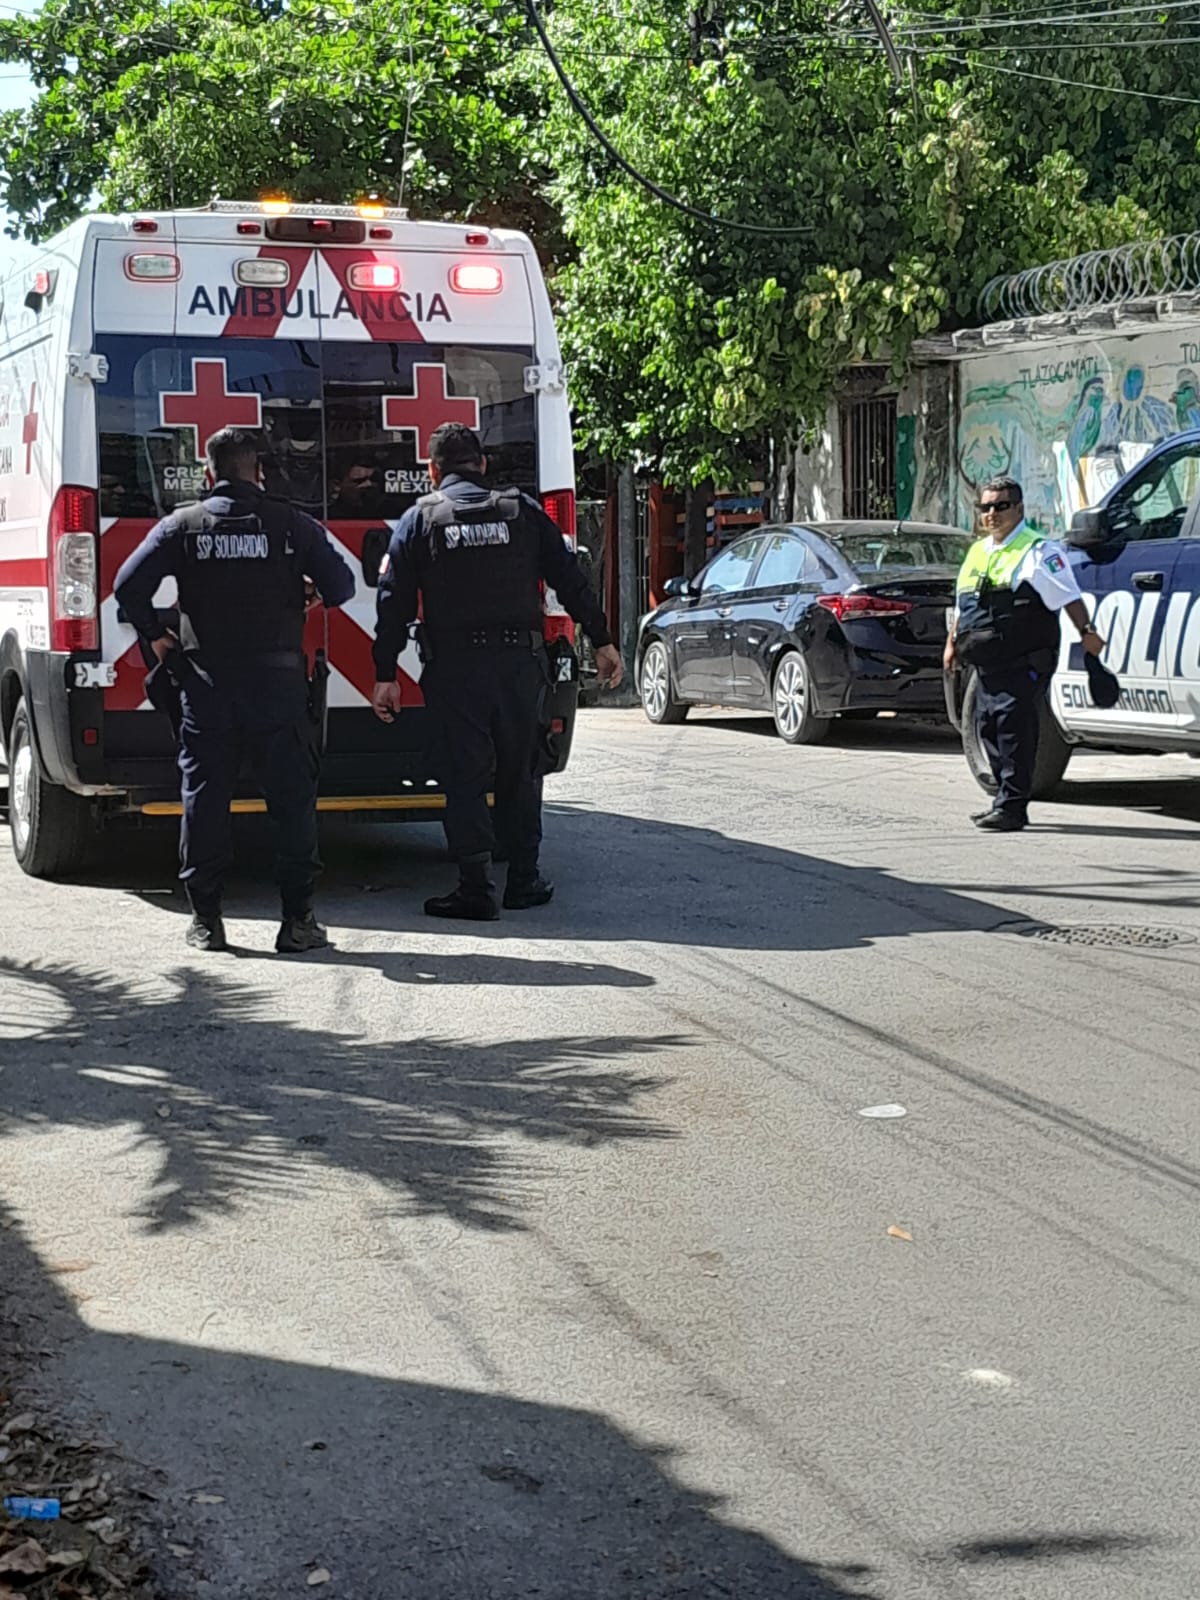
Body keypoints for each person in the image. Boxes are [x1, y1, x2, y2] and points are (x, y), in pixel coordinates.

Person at [114, 426, 356, 951]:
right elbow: (343, 585)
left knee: (205, 797)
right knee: (291, 802)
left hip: (207, 684)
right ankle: (297, 922)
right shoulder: (291, 524)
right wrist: (307, 593)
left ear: (209, 474)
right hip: (279, 686)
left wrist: (155, 635)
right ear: (259, 472)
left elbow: (127, 586)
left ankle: (206, 921)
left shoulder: (183, 525)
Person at [371, 422, 623, 920]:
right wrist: (603, 640)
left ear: (432, 471)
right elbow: (570, 580)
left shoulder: (420, 519)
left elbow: (393, 602)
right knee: (521, 771)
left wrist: (385, 673)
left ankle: (474, 886)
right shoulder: (521, 512)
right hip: (517, 665)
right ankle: (524, 879)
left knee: (463, 774)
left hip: (455, 668)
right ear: (482, 465)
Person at [944, 475, 1105, 832]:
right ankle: (1003, 798)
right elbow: (963, 605)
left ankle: (1013, 807)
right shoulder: (978, 552)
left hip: (1024, 659)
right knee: (987, 728)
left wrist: (1087, 633)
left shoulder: (1039, 551)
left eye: (1001, 506)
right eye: (985, 507)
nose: (992, 514)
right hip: (986, 662)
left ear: (1018, 509)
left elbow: (1068, 597)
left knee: (1013, 729)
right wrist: (951, 644)